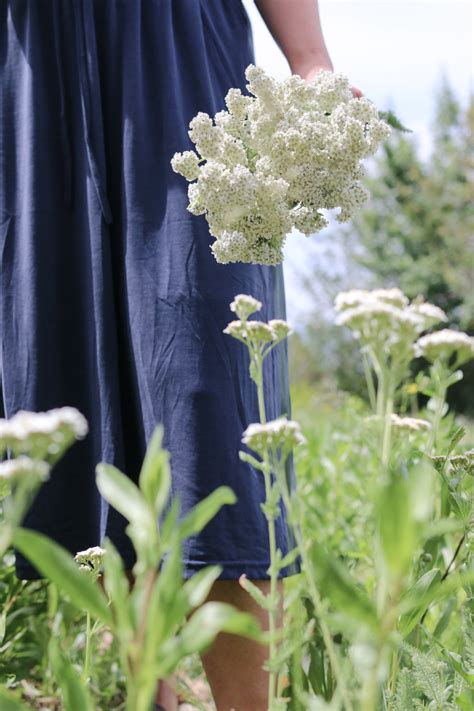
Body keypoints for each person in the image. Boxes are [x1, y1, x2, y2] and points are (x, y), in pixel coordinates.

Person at [0, 1, 362, 709]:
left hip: (180, 54)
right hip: (33, 72)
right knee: (81, 421)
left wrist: (310, 59)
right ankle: (142, 693)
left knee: (211, 404)